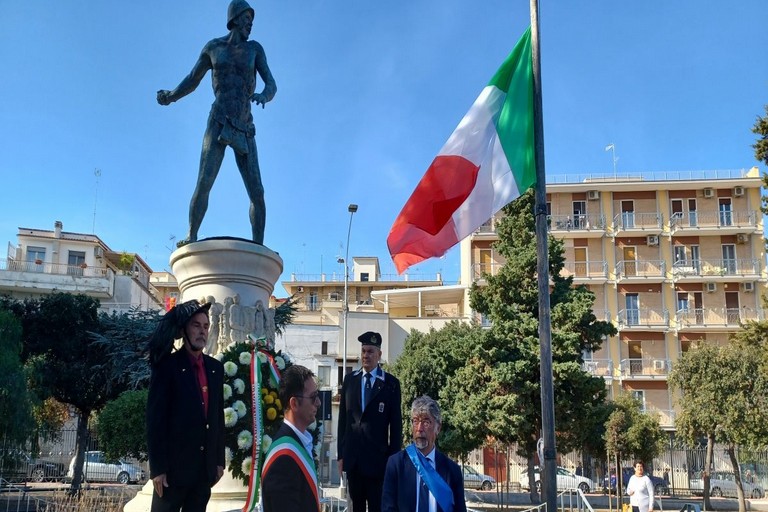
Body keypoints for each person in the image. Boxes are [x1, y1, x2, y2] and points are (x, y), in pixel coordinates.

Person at [157, 0, 277, 245]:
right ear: (233, 18)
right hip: (219, 120)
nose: (250, 25)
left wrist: (264, 95)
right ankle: (191, 234)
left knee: (257, 192)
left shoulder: (255, 49)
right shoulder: (213, 47)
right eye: (246, 19)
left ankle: (258, 246)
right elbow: (192, 79)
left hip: (244, 125)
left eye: (252, 22)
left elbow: (272, 84)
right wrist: (171, 96)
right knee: (204, 182)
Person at [146, 300, 225, 512]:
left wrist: (219, 462)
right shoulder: (167, 366)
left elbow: (217, 417)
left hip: (202, 473)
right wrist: (158, 469)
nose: (202, 331)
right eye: (196, 325)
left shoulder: (216, 368)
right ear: (184, 330)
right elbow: (155, 420)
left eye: (206, 326)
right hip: (172, 473)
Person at [338, 331, 402, 512]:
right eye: (364, 351)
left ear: (379, 354)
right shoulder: (350, 381)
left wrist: (393, 460)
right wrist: (340, 455)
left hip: (378, 464)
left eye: (370, 351)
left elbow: (396, 426)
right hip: (354, 462)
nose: (366, 355)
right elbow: (343, 420)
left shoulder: (390, 384)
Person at [381, 396, 467, 512]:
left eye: (426, 422)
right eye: (415, 421)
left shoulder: (452, 471)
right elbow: (388, 508)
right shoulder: (396, 464)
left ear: (438, 428)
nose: (419, 428)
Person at [262, 365, 320, 512]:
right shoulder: (284, 458)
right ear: (294, 403)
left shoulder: (298, 443)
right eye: (313, 397)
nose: (318, 403)